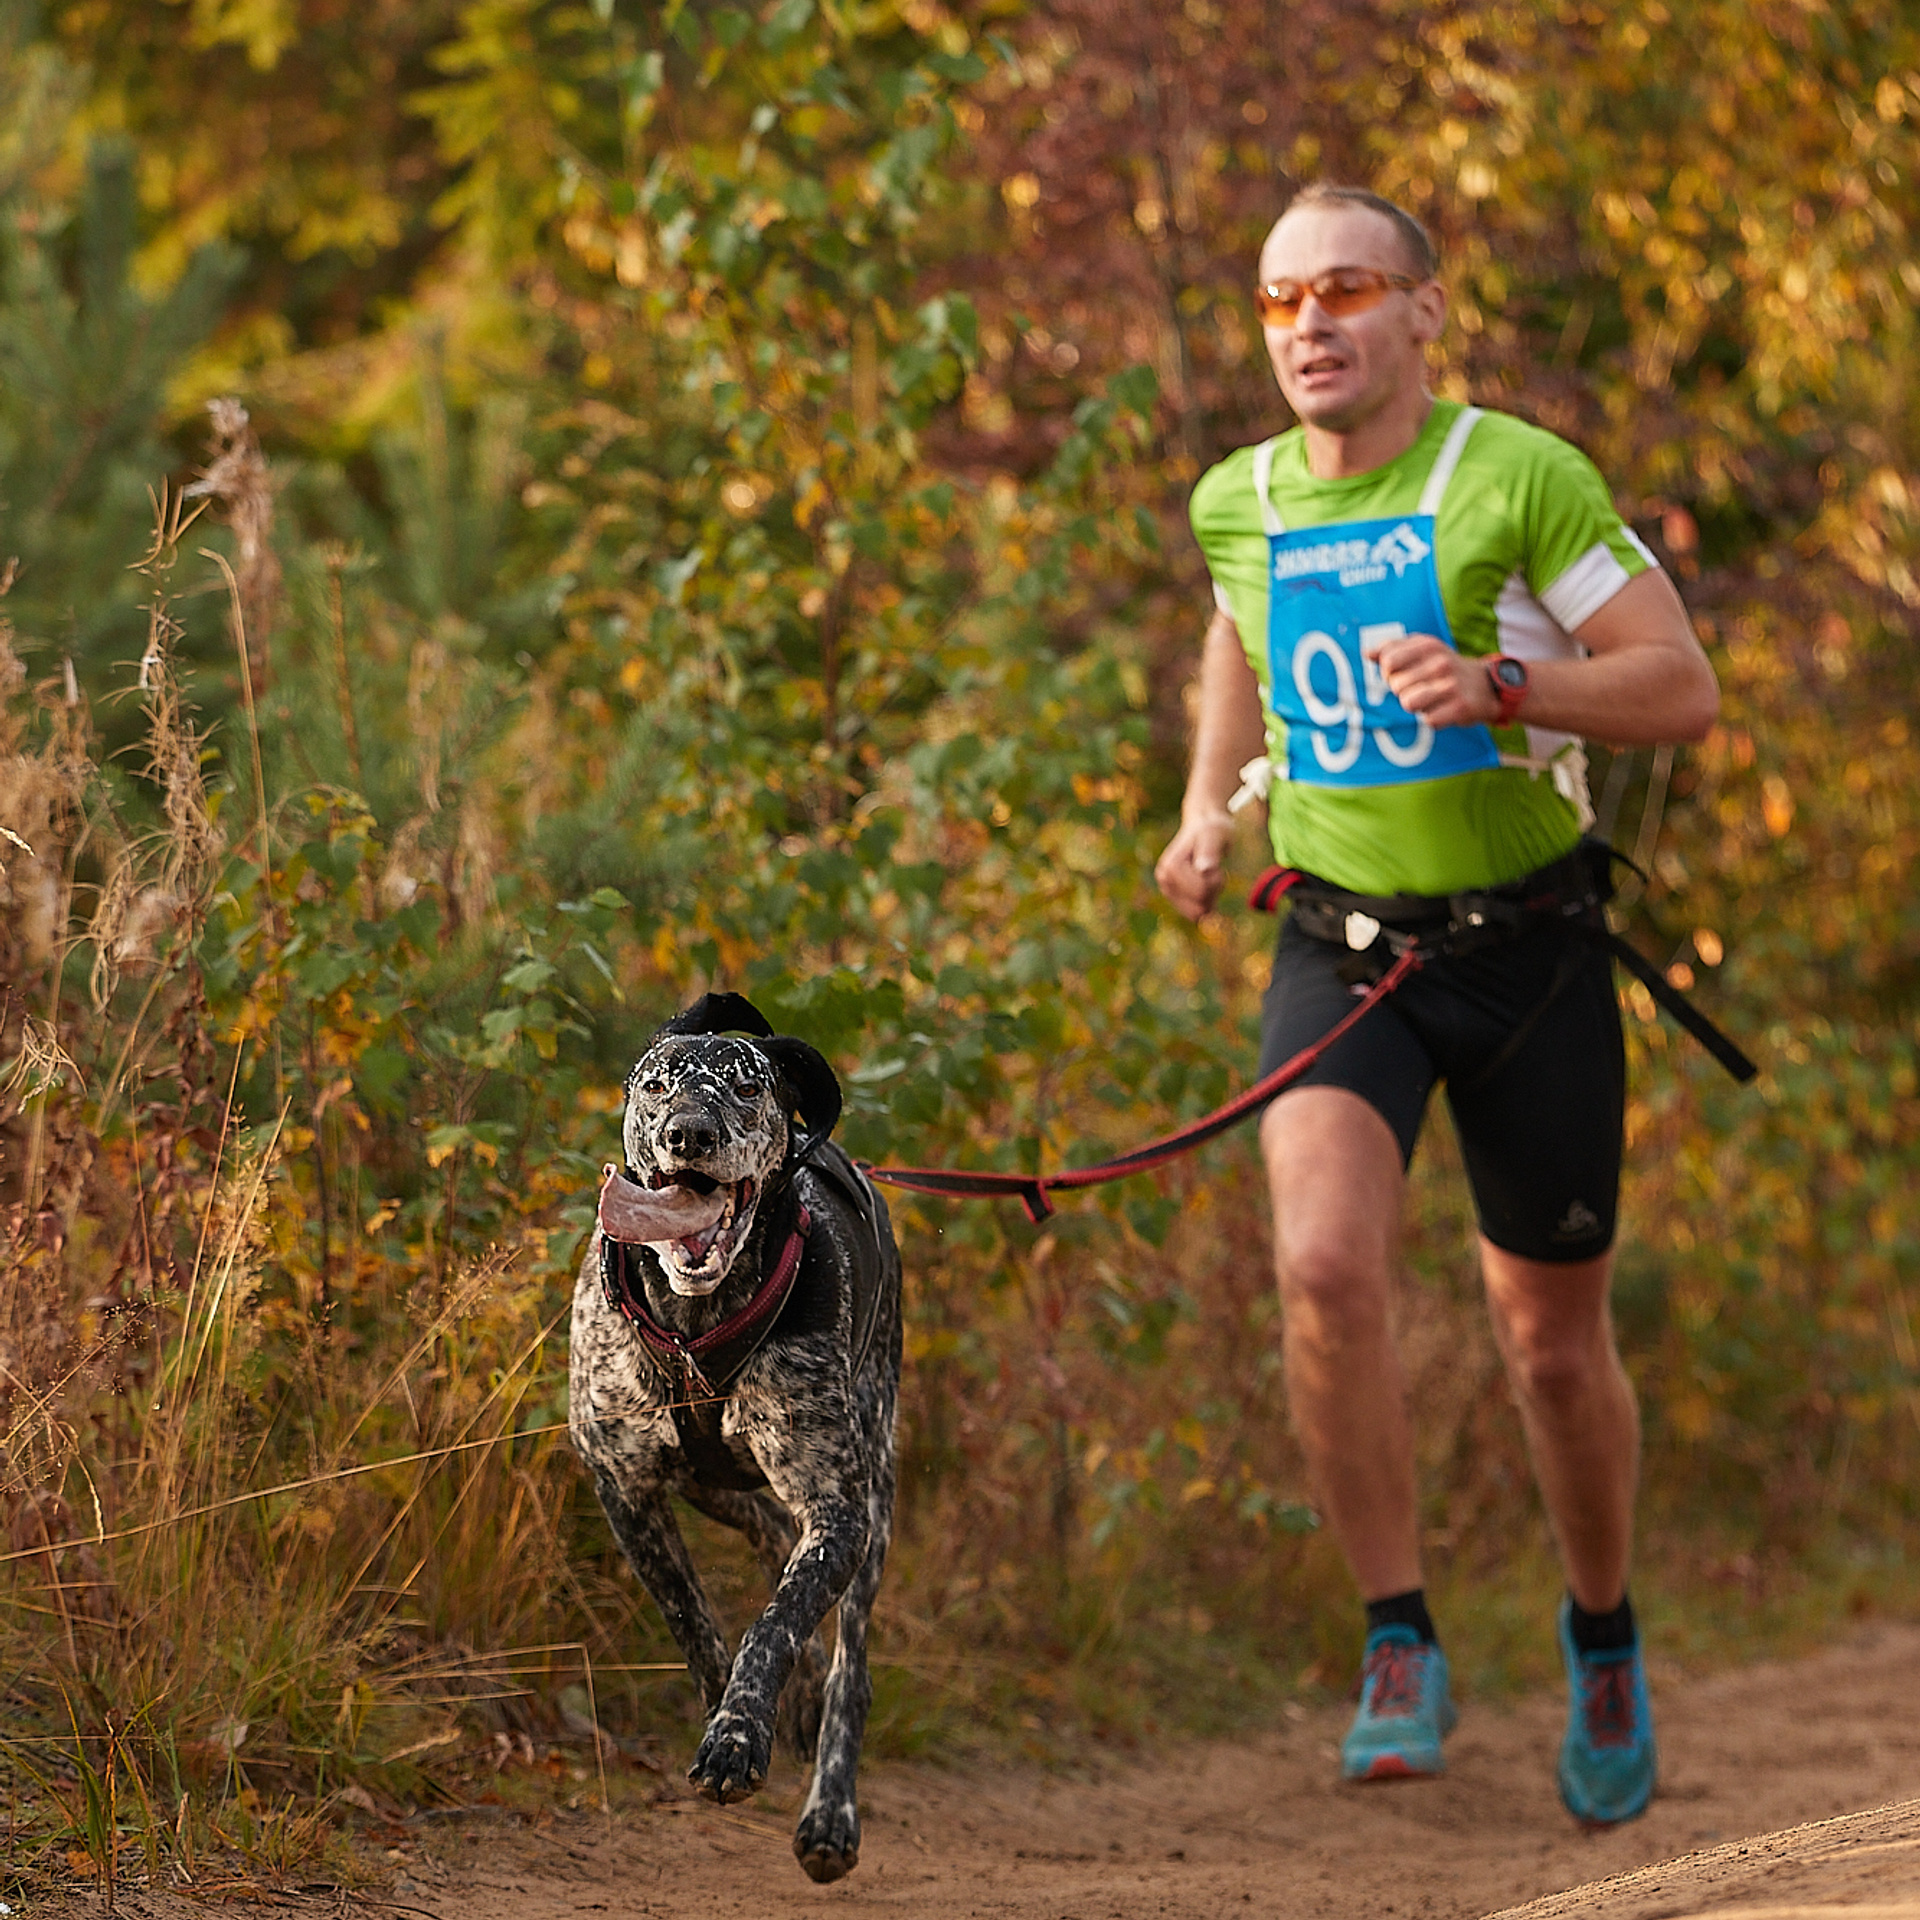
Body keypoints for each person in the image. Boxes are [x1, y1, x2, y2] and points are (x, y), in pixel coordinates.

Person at [1155, 183, 1718, 1825]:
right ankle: (1398, 1640)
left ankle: (1601, 1636)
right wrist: (1208, 807)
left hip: (1530, 954)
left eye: (1345, 290)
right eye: (1278, 302)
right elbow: (1236, 637)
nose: (1310, 327)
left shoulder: (1515, 476)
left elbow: (1682, 688)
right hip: (1344, 948)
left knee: (1549, 1345)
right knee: (1322, 1266)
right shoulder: (1238, 497)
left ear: (1423, 311)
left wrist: (1508, 687)